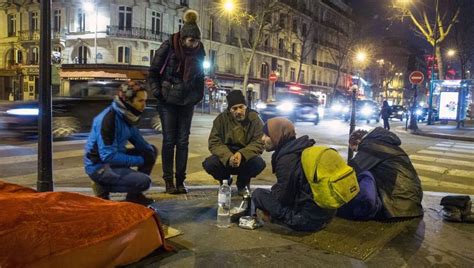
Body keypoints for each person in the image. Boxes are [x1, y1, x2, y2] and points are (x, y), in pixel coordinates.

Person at [148, 9, 206, 194]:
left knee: (183, 142)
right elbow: (153, 72)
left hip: (187, 102)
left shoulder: (199, 51)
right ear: (183, 38)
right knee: (169, 141)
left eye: (196, 41)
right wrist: (158, 93)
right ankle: (168, 182)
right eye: (191, 41)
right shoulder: (169, 46)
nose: (193, 44)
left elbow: (200, 77)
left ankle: (180, 181)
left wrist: (198, 96)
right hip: (168, 102)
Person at [251, 117, 335, 232]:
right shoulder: (299, 148)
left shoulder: (287, 159)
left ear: (278, 135)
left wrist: (269, 205)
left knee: (258, 194)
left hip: (307, 220)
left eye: (267, 135)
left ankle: (279, 219)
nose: (262, 139)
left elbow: (283, 196)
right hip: (325, 215)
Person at [84, 80, 157, 206]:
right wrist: (141, 160)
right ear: (128, 101)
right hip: (99, 165)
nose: (144, 105)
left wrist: (148, 153)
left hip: (114, 156)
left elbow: (138, 139)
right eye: (140, 101)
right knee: (144, 182)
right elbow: (108, 156)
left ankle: (134, 196)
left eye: (145, 100)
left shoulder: (127, 115)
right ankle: (102, 187)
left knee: (151, 150)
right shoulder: (109, 119)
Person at [347, 127, 423, 220]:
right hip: (411, 202)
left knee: (365, 176)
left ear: (358, 141)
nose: (357, 152)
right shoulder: (384, 144)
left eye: (355, 150)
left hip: (397, 205)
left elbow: (352, 171)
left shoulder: (370, 146)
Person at [202, 90, 266, 195]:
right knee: (210, 164)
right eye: (234, 108)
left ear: (245, 107)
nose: (239, 111)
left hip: (246, 156)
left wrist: (242, 154)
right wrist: (228, 157)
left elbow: (259, 141)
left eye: (241, 107)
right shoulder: (221, 119)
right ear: (229, 109)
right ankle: (225, 181)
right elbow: (214, 142)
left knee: (258, 163)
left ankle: (243, 183)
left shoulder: (254, 118)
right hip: (227, 156)